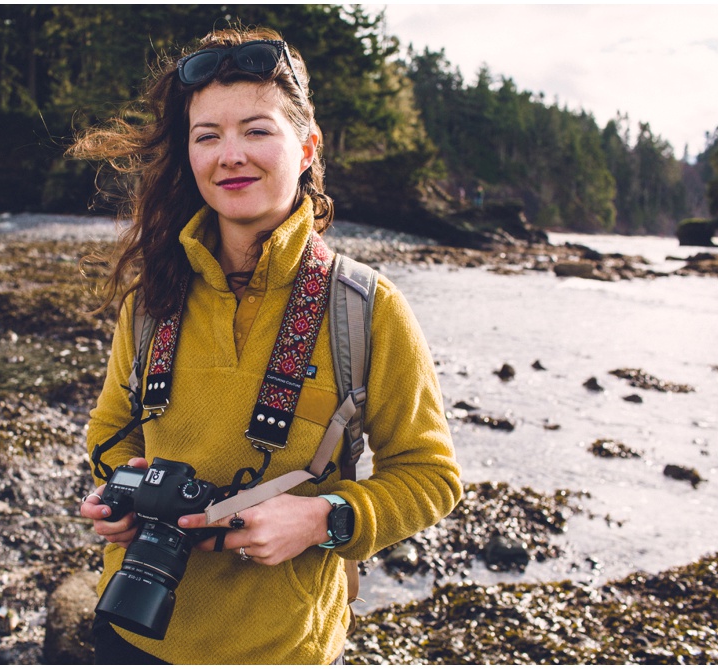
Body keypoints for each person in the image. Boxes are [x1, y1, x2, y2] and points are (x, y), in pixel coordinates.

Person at [74, 27, 461, 665]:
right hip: (131, 631)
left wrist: (324, 518)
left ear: (306, 147)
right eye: (208, 136)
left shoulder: (364, 309)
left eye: (256, 130)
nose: (230, 155)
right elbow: (112, 433)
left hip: (284, 649)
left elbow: (432, 476)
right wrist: (115, 493)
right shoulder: (151, 302)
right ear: (188, 153)